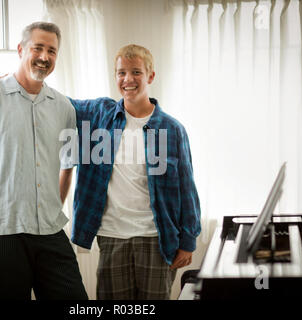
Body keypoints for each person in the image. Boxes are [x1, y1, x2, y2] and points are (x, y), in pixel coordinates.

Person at [0, 22, 88, 300]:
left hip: (50, 231)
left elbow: (67, 165)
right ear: (21, 49)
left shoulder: (64, 107)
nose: (45, 56)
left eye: (52, 50)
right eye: (38, 48)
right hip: (2, 232)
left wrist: (52, 207)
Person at [60, 44, 201, 300]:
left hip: (156, 238)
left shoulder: (171, 129)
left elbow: (186, 188)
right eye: (121, 72)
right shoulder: (99, 116)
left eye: (136, 72)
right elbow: (60, 103)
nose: (128, 79)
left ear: (150, 76)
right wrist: (16, 82)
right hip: (112, 236)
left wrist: (188, 241)